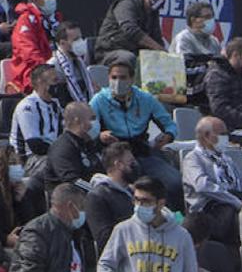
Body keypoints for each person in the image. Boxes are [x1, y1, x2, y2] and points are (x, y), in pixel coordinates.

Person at [90, 54, 183, 211]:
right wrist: (99, 136)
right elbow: (87, 131)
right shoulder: (98, 100)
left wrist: (168, 135)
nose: (118, 81)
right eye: (114, 77)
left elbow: (170, 125)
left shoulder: (145, 99)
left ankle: (174, 221)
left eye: (123, 77)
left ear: (131, 79)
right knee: (133, 185)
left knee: (174, 182)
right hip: (115, 153)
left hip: (142, 151)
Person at [182, 116, 242, 246]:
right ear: (206, 136)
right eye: (222, 134)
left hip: (235, 202)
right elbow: (203, 186)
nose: (226, 138)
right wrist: (236, 202)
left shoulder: (226, 159)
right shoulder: (193, 159)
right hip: (211, 210)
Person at [94, 0, 169, 61]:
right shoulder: (127, 4)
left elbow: (156, 37)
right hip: (110, 50)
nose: (161, 2)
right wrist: (158, 48)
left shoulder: (153, 12)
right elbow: (131, 30)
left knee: (161, 60)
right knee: (129, 57)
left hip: (134, 51)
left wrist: (165, 54)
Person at [8, 0, 60, 94]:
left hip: (55, 69)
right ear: (35, 0)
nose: (52, 0)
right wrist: (50, 67)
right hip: (31, 75)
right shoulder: (25, 21)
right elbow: (29, 54)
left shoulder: (55, 20)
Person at [86, 142, 137, 254]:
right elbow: (104, 239)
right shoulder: (98, 196)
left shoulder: (135, 193)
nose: (135, 166)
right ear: (119, 165)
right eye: (131, 163)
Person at [41, 101, 101, 196]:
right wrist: (100, 192)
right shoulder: (62, 147)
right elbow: (72, 181)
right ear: (77, 121)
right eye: (92, 119)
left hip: (93, 199)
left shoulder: (88, 143)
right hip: (71, 203)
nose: (95, 123)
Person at [11, 65, 64, 173]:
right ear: (41, 83)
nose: (58, 84)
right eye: (54, 80)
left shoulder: (56, 105)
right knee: (60, 165)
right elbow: (35, 146)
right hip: (28, 160)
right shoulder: (27, 107)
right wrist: (62, 152)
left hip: (51, 155)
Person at [168, 1, 219, 105]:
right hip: (186, 91)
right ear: (193, 20)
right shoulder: (184, 38)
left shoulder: (214, 41)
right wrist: (207, 66)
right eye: (207, 17)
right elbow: (184, 69)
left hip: (208, 89)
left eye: (212, 16)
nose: (211, 20)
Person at [49, 21, 96, 105]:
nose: (80, 42)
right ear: (62, 43)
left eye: (81, 38)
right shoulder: (53, 67)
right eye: (75, 40)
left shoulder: (80, 61)